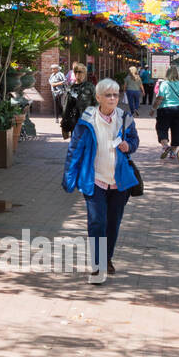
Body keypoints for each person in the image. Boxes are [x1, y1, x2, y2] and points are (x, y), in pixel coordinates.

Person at [61, 79, 140, 283]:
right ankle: (98, 265)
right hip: (95, 179)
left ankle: (107, 258)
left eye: (115, 95)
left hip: (119, 181)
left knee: (113, 223)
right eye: (108, 95)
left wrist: (128, 145)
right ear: (98, 98)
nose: (112, 98)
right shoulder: (87, 119)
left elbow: (134, 141)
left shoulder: (124, 118)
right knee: (97, 222)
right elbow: (74, 149)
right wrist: (69, 176)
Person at [154, 66, 179, 160]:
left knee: (162, 128)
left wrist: (153, 108)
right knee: (177, 132)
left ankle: (165, 146)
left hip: (165, 109)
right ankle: (173, 152)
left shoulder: (164, 83)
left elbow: (160, 97)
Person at [59, 63, 95, 139]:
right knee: (76, 146)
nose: (78, 74)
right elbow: (66, 107)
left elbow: (96, 103)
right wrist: (64, 125)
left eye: (80, 72)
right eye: (76, 72)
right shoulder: (70, 88)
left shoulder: (90, 87)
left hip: (88, 121)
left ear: (84, 74)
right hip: (75, 121)